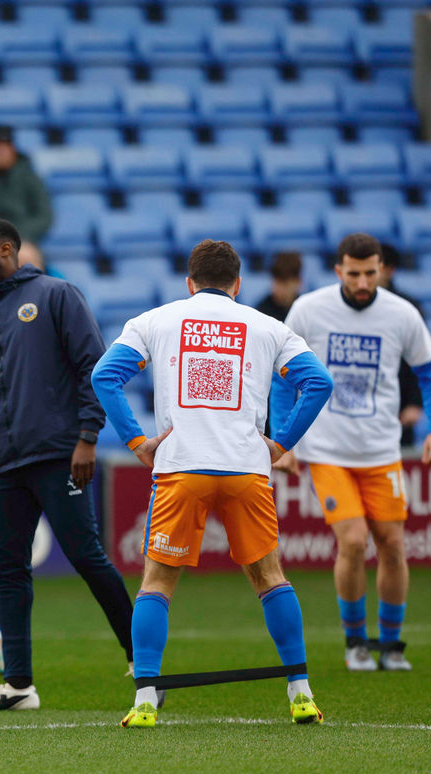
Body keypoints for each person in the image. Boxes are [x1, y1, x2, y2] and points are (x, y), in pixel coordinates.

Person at [92, 239, 334, 728]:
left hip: (182, 469)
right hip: (247, 470)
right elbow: (318, 382)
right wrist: (280, 443)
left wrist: (137, 441)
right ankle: (300, 691)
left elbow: (105, 376)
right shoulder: (267, 326)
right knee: (270, 578)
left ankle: (145, 699)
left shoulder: (155, 320)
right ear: (238, 284)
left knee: (157, 583)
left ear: (189, 282)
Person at [0, 219, 134, 713]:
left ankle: (144, 658)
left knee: (87, 559)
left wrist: (88, 437)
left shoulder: (56, 295)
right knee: (8, 569)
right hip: (3, 465)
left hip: (59, 456)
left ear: (6, 250)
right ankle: (18, 685)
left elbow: (94, 367)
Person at [271, 233, 431, 673]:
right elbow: (282, 375)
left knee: (394, 546)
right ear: (338, 270)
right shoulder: (309, 309)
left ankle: (392, 644)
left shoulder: (403, 314)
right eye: (354, 272)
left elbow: (429, 372)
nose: (363, 281)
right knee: (353, 540)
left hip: (382, 451)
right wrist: (284, 441)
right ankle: (355, 642)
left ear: (381, 268)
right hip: (328, 450)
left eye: (370, 272)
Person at [378, 243, 425, 447]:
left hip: (400, 410)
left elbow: (420, 357)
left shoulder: (409, 309)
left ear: (390, 270)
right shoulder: (347, 308)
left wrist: (415, 402)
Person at [255, 252, 303, 323]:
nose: (279, 289)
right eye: (277, 283)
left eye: (285, 284)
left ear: (298, 282)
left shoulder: (304, 309)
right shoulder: (261, 312)